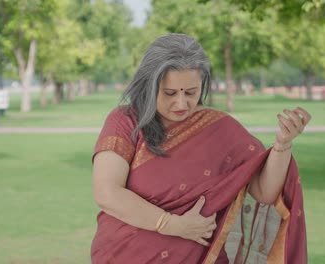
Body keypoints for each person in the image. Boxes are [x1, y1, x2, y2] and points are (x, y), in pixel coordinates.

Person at [91, 33, 310, 263]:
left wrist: (282, 146)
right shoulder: (126, 121)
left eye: (191, 92)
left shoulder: (220, 129)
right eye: (170, 93)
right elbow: (107, 192)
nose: (181, 103)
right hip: (123, 255)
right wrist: (172, 225)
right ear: (148, 84)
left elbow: (264, 192)